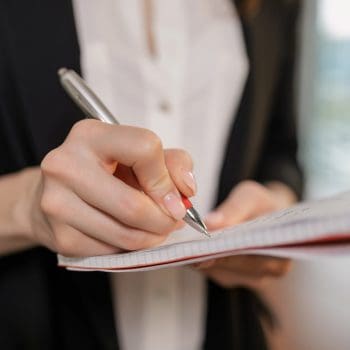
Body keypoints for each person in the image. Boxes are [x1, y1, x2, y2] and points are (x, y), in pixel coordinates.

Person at [0, 0, 302, 349]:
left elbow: (281, 153)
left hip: (229, 330)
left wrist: (274, 212)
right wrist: (28, 206)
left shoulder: (278, 6)